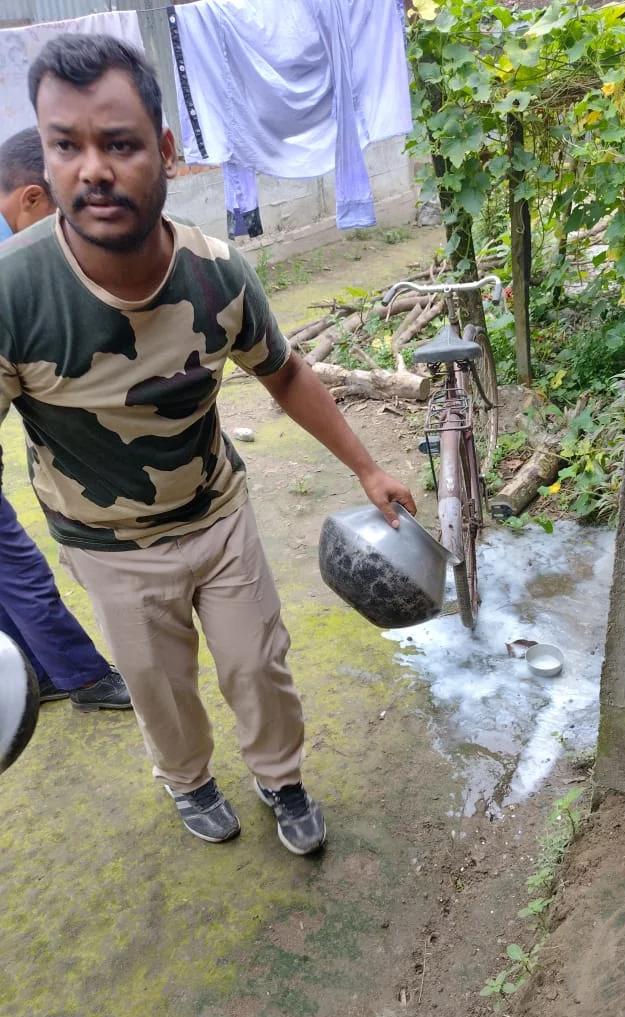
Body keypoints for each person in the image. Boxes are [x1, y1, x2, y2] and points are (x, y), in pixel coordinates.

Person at [0, 34, 415, 854]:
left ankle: (281, 779)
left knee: (257, 663)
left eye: (118, 144)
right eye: (65, 146)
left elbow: (285, 373)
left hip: (217, 516)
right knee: (160, 690)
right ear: (44, 162)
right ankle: (188, 782)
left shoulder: (217, 273)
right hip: (107, 545)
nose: (92, 170)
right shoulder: (15, 293)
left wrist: (367, 467)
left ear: (165, 150)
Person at [0, 127, 131, 712]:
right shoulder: (12, 259)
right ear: (32, 198)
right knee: (20, 566)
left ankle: (37, 671)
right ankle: (82, 677)